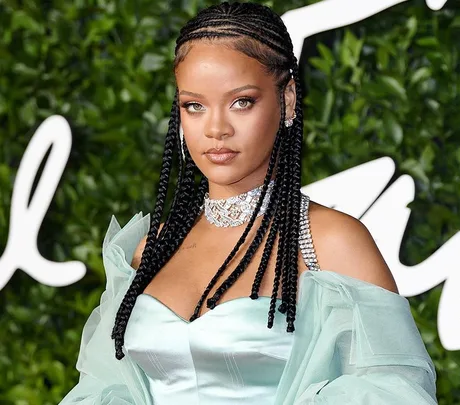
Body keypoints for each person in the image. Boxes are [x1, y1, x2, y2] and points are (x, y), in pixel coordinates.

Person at [59, 2, 437, 404]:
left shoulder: (330, 241)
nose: (217, 128)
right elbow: (103, 389)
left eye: (241, 101)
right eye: (194, 105)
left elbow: (394, 393)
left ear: (288, 99)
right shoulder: (150, 249)